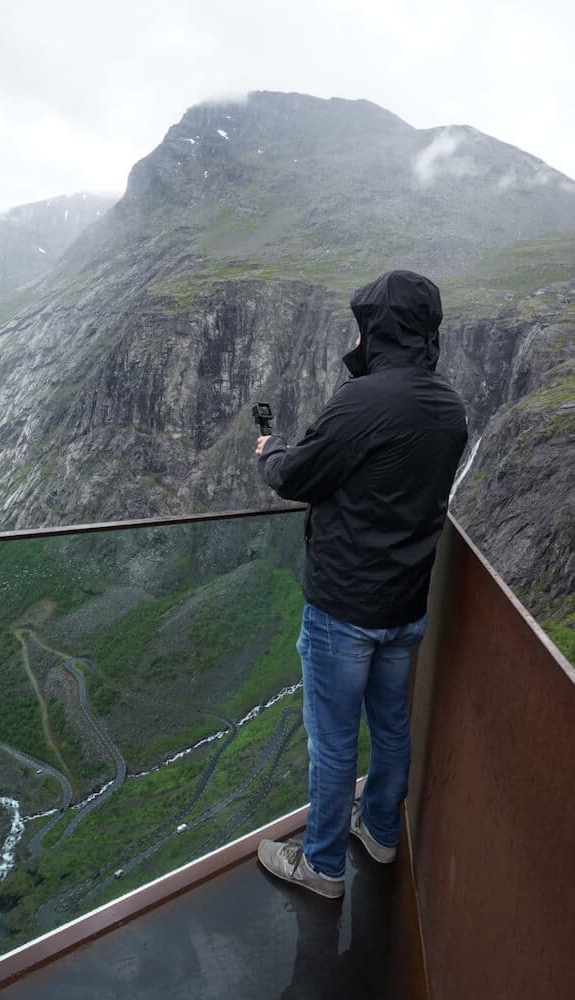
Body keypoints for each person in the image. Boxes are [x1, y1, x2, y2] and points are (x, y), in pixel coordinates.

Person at [255, 270, 468, 899]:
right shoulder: (448, 405)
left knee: (333, 741)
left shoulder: (364, 399)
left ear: (376, 327)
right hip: (405, 603)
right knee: (392, 727)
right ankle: (378, 831)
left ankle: (321, 865)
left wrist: (269, 452)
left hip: (344, 606)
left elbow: (298, 475)